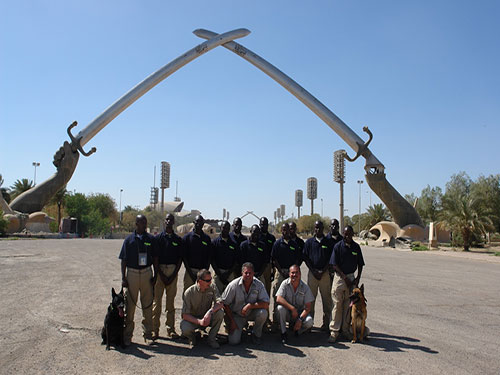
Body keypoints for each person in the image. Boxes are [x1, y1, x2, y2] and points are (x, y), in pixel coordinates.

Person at [119, 214, 158, 346]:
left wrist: (155, 275)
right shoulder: (129, 240)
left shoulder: (150, 239)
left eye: (145, 223)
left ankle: (148, 334)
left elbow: (155, 258)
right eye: (142, 223)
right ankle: (127, 335)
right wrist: (123, 277)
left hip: (147, 273)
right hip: (133, 274)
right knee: (130, 306)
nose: (144, 225)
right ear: (136, 224)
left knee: (147, 305)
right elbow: (123, 259)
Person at [328, 225, 368, 343]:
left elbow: (360, 264)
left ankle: (345, 330)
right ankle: (334, 332)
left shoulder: (356, 247)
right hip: (340, 278)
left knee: (348, 307)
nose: (347, 236)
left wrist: (357, 278)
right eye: (345, 234)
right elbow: (334, 264)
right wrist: (344, 277)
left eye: (350, 234)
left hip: (351, 278)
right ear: (343, 234)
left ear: (352, 234)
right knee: (337, 305)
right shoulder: (338, 246)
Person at [221, 262, 270, 345]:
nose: (248, 275)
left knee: (263, 313)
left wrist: (250, 306)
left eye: (250, 273)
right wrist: (232, 321)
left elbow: (266, 304)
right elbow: (225, 304)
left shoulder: (259, 284)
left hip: (252, 313)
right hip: (237, 315)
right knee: (233, 341)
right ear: (241, 273)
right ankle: (239, 330)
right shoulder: (233, 285)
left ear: (253, 273)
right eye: (246, 273)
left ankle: (256, 334)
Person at [152, 213, 183, 340]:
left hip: (172, 272)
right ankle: (154, 330)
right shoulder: (158, 239)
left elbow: (180, 259)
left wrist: (173, 275)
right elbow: (155, 258)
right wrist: (160, 273)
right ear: (164, 222)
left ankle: (171, 329)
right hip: (160, 272)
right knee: (156, 303)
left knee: (170, 304)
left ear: (174, 222)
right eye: (167, 219)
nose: (169, 221)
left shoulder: (177, 240)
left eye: (171, 220)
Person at [180, 269, 224, 349]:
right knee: (184, 326)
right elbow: (185, 315)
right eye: (207, 280)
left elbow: (220, 303)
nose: (210, 282)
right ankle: (192, 338)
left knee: (220, 313)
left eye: (210, 279)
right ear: (200, 281)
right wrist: (199, 322)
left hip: (207, 317)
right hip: (194, 319)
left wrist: (210, 312)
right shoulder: (189, 292)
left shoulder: (212, 287)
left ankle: (211, 339)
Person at [302, 221, 333, 331]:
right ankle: (309, 324)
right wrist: (314, 271)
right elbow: (305, 257)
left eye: (319, 227)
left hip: (325, 275)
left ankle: (327, 324)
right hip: (312, 274)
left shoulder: (328, 242)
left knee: (327, 300)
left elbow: (330, 259)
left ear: (323, 228)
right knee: (310, 300)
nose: (317, 230)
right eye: (316, 228)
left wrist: (323, 271)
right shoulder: (309, 242)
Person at [271, 223, 302, 326]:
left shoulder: (294, 245)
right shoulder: (277, 244)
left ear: (290, 231)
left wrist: (291, 272)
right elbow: (274, 259)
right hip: (280, 273)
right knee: (277, 296)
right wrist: (281, 271)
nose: (285, 232)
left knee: (292, 297)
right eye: (283, 230)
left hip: (291, 274)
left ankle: (292, 321)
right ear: (281, 231)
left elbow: (297, 259)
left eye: (287, 230)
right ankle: (276, 322)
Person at [276, 265, 314, 344]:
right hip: (288, 312)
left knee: (309, 322)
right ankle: (283, 333)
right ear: (289, 274)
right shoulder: (285, 284)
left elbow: (308, 307)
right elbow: (278, 298)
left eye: (297, 273)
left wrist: (300, 320)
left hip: (299, 314)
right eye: (292, 273)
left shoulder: (305, 287)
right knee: (280, 309)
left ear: (300, 274)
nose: (294, 275)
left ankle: (297, 330)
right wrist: (292, 309)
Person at [182, 215, 212, 292]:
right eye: (197, 222)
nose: (199, 224)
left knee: (202, 294)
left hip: (202, 272)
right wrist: (190, 272)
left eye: (201, 222)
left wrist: (204, 272)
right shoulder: (187, 238)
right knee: (187, 294)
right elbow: (184, 257)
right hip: (190, 271)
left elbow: (209, 257)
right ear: (194, 222)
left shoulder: (206, 239)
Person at [211, 220, 240, 294]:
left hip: (230, 274)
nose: (225, 230)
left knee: (229, 298)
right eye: (224, 228)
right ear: (220, 228)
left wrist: (228, 273)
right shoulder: (215, 242)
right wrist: (219, 274)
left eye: (227, 228)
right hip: (218, 274)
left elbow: (236, 260)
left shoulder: (233, 243)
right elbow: (212, 260)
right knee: (216, 297)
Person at [259, 217, 275, 298]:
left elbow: (274, 255)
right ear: (259, 225)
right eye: (262, 224)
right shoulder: (257, 237)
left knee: (267, 289)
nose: (263, 226)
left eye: (265, 224)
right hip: (258, 266)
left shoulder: (271, 238)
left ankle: (266, 309)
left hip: (268, 266)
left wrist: (272, 270)